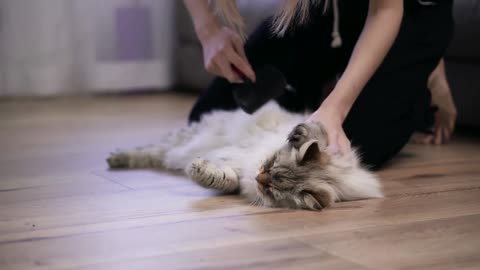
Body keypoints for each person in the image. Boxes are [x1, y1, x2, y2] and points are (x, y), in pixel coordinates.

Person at [182, 0, 457, 169]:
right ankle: (322, 85)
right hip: (331, 9)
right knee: (207, 119)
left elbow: (385, 11)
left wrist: (335, 109)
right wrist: (209, 31)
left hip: (408, 11)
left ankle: (428, 68)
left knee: (350, 149)